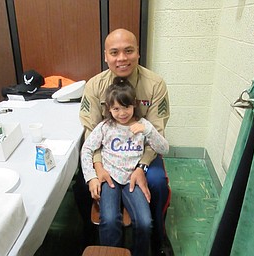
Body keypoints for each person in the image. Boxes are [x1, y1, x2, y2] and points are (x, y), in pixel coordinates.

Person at [74, 28, 174, 256]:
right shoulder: (94, 85)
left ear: (138, 52)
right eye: (115, 52)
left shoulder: (155, 84)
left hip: (141, 151)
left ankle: (158, 235)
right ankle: (90, 233)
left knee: (157, 183)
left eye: (129, 51)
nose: (122, 58)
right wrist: (98, 168)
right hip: (107, 154)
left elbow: (156, 133)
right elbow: (92, 134)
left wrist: (142, 167)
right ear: (106, 56)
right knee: (81, 184)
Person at [81, 80, 169, 256]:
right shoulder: (105, 127)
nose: (122, 113)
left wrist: (148, 131)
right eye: (116, 109)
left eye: (126, 107)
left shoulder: (144, 125)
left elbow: (164, 149)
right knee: (110, 219)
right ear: (109, 109)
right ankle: (111, 252)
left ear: (134, 104)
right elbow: (87, 149)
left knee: (144, 222)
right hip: (110, 178)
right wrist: (91, 177)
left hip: (133, 179)